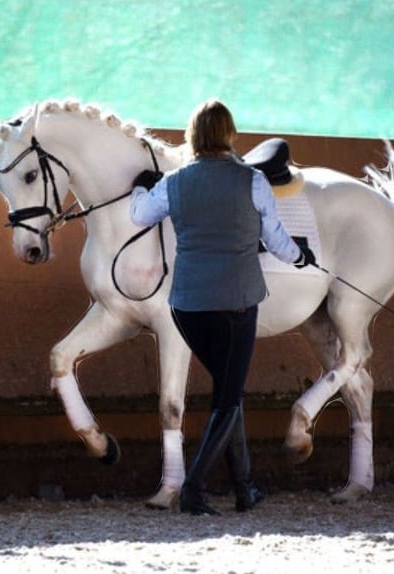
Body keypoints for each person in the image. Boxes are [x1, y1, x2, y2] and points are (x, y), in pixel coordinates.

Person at [130, 99, 316, 515]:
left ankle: (244, 487)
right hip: (235, 307)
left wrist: (142, 185)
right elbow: (280, 240)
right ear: (230, 135)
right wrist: (301, 258)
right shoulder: (251, 181)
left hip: (188, 307)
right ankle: (193, 489)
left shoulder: (175, 182)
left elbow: (140, 214)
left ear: (192, 137)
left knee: (228, 394)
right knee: (228, 398)